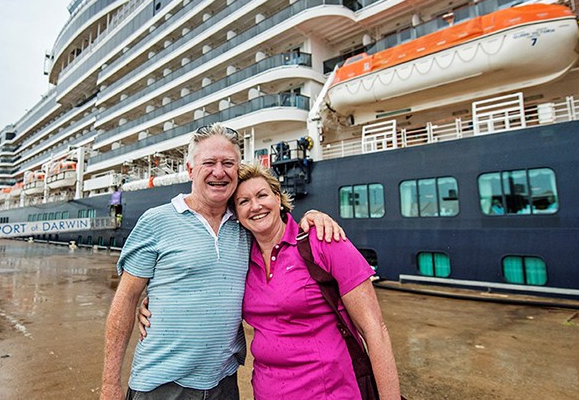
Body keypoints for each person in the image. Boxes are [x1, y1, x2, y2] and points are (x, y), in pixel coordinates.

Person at [101, 123, 343, 400]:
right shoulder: (156, 221)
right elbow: (125, 298)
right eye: (209, 163)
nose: (219, 171)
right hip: (161, 385)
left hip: (223, 383)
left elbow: (280, 233)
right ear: (190, 170)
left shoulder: (245, 224)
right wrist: (110, 385)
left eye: (228, 163)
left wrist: (313, 215)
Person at [234, 163, 401, 399]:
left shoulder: (322, 240)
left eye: (262, 195)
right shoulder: (241, 259)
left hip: (331, 392)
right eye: (243, 201)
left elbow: (374, 329)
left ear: (279, 199)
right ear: (237, 215)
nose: (256, 206)